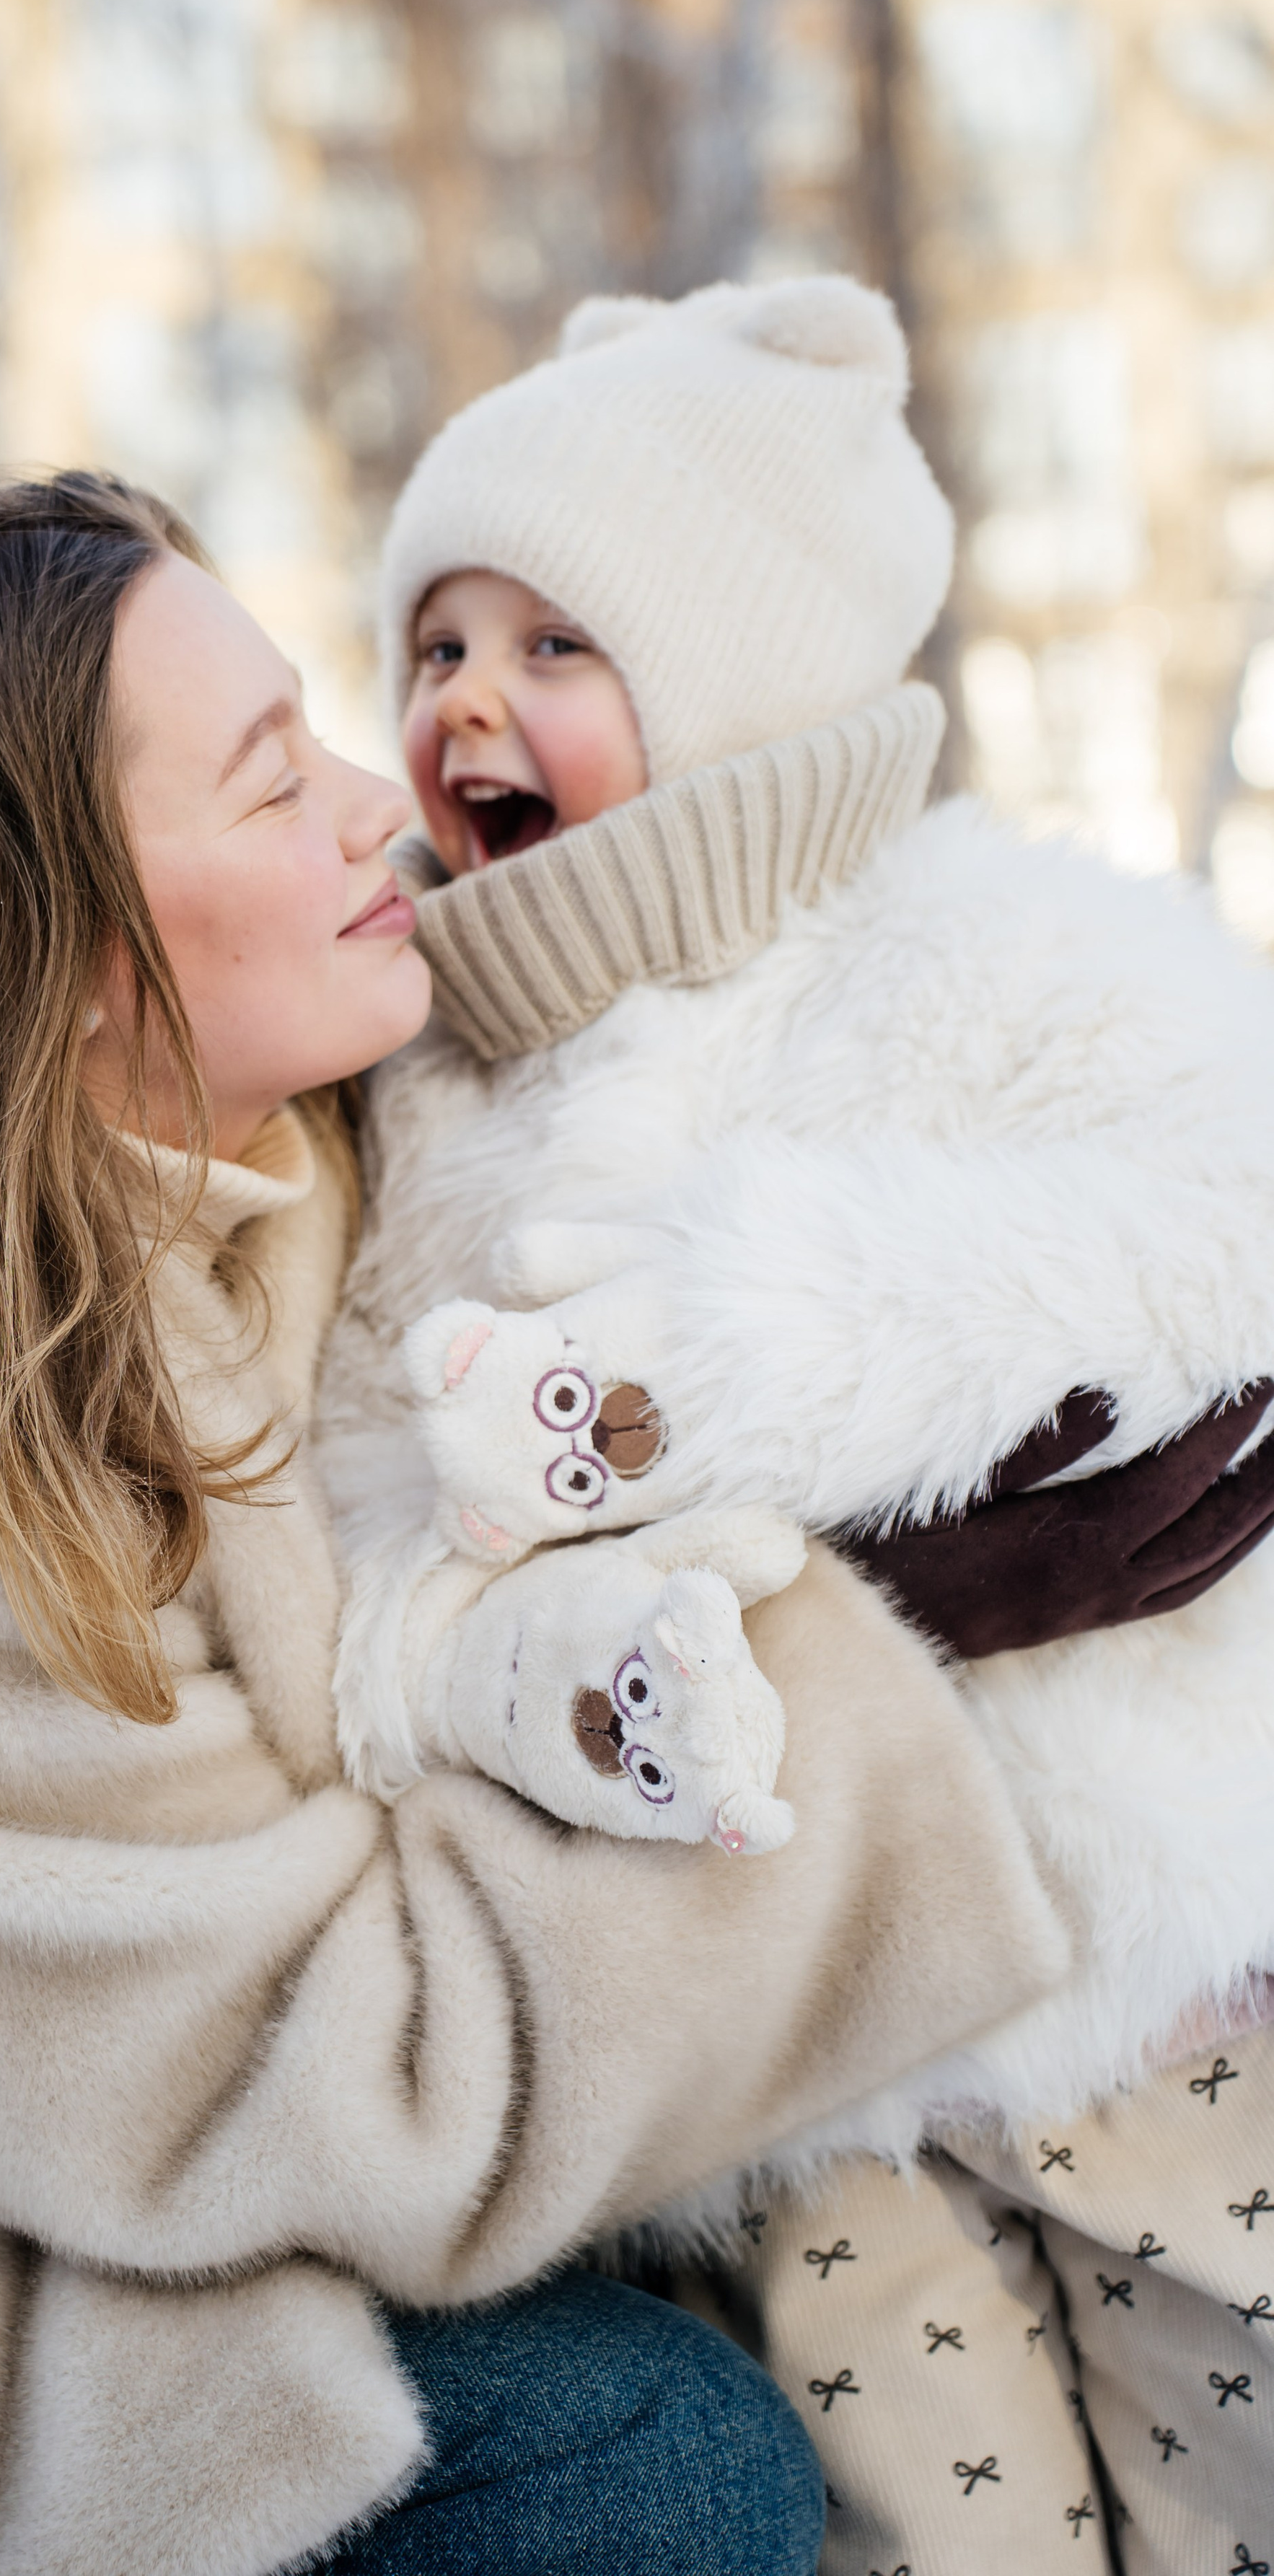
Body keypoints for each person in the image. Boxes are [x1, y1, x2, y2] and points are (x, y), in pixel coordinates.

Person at [0, 472, 1085, 2575]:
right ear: (56, 944)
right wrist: (891, 1642)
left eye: (316, 723)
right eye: (264, 779)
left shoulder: (183, 1160)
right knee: (645, 2458)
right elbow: (369, 2089)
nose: (381, 801)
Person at [318, 276, 1274, 2572]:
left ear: (747, 663)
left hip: (1141, 1947)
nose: (467, 702)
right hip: (803, 2049)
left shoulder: (983, 945)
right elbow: (383, 1521)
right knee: (951, 2533)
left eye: (558, 643)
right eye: (436, 644)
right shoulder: (415, 1096)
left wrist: (745, 1365)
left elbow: (1213, 1231)